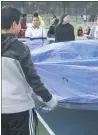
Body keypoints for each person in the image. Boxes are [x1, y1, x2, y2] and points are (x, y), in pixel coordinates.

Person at [1, 6, 58, 135]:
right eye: (20, 22)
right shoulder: (20, 49)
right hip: (20, 110)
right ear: (14, 24)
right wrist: (49, 100)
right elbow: (33, 79)